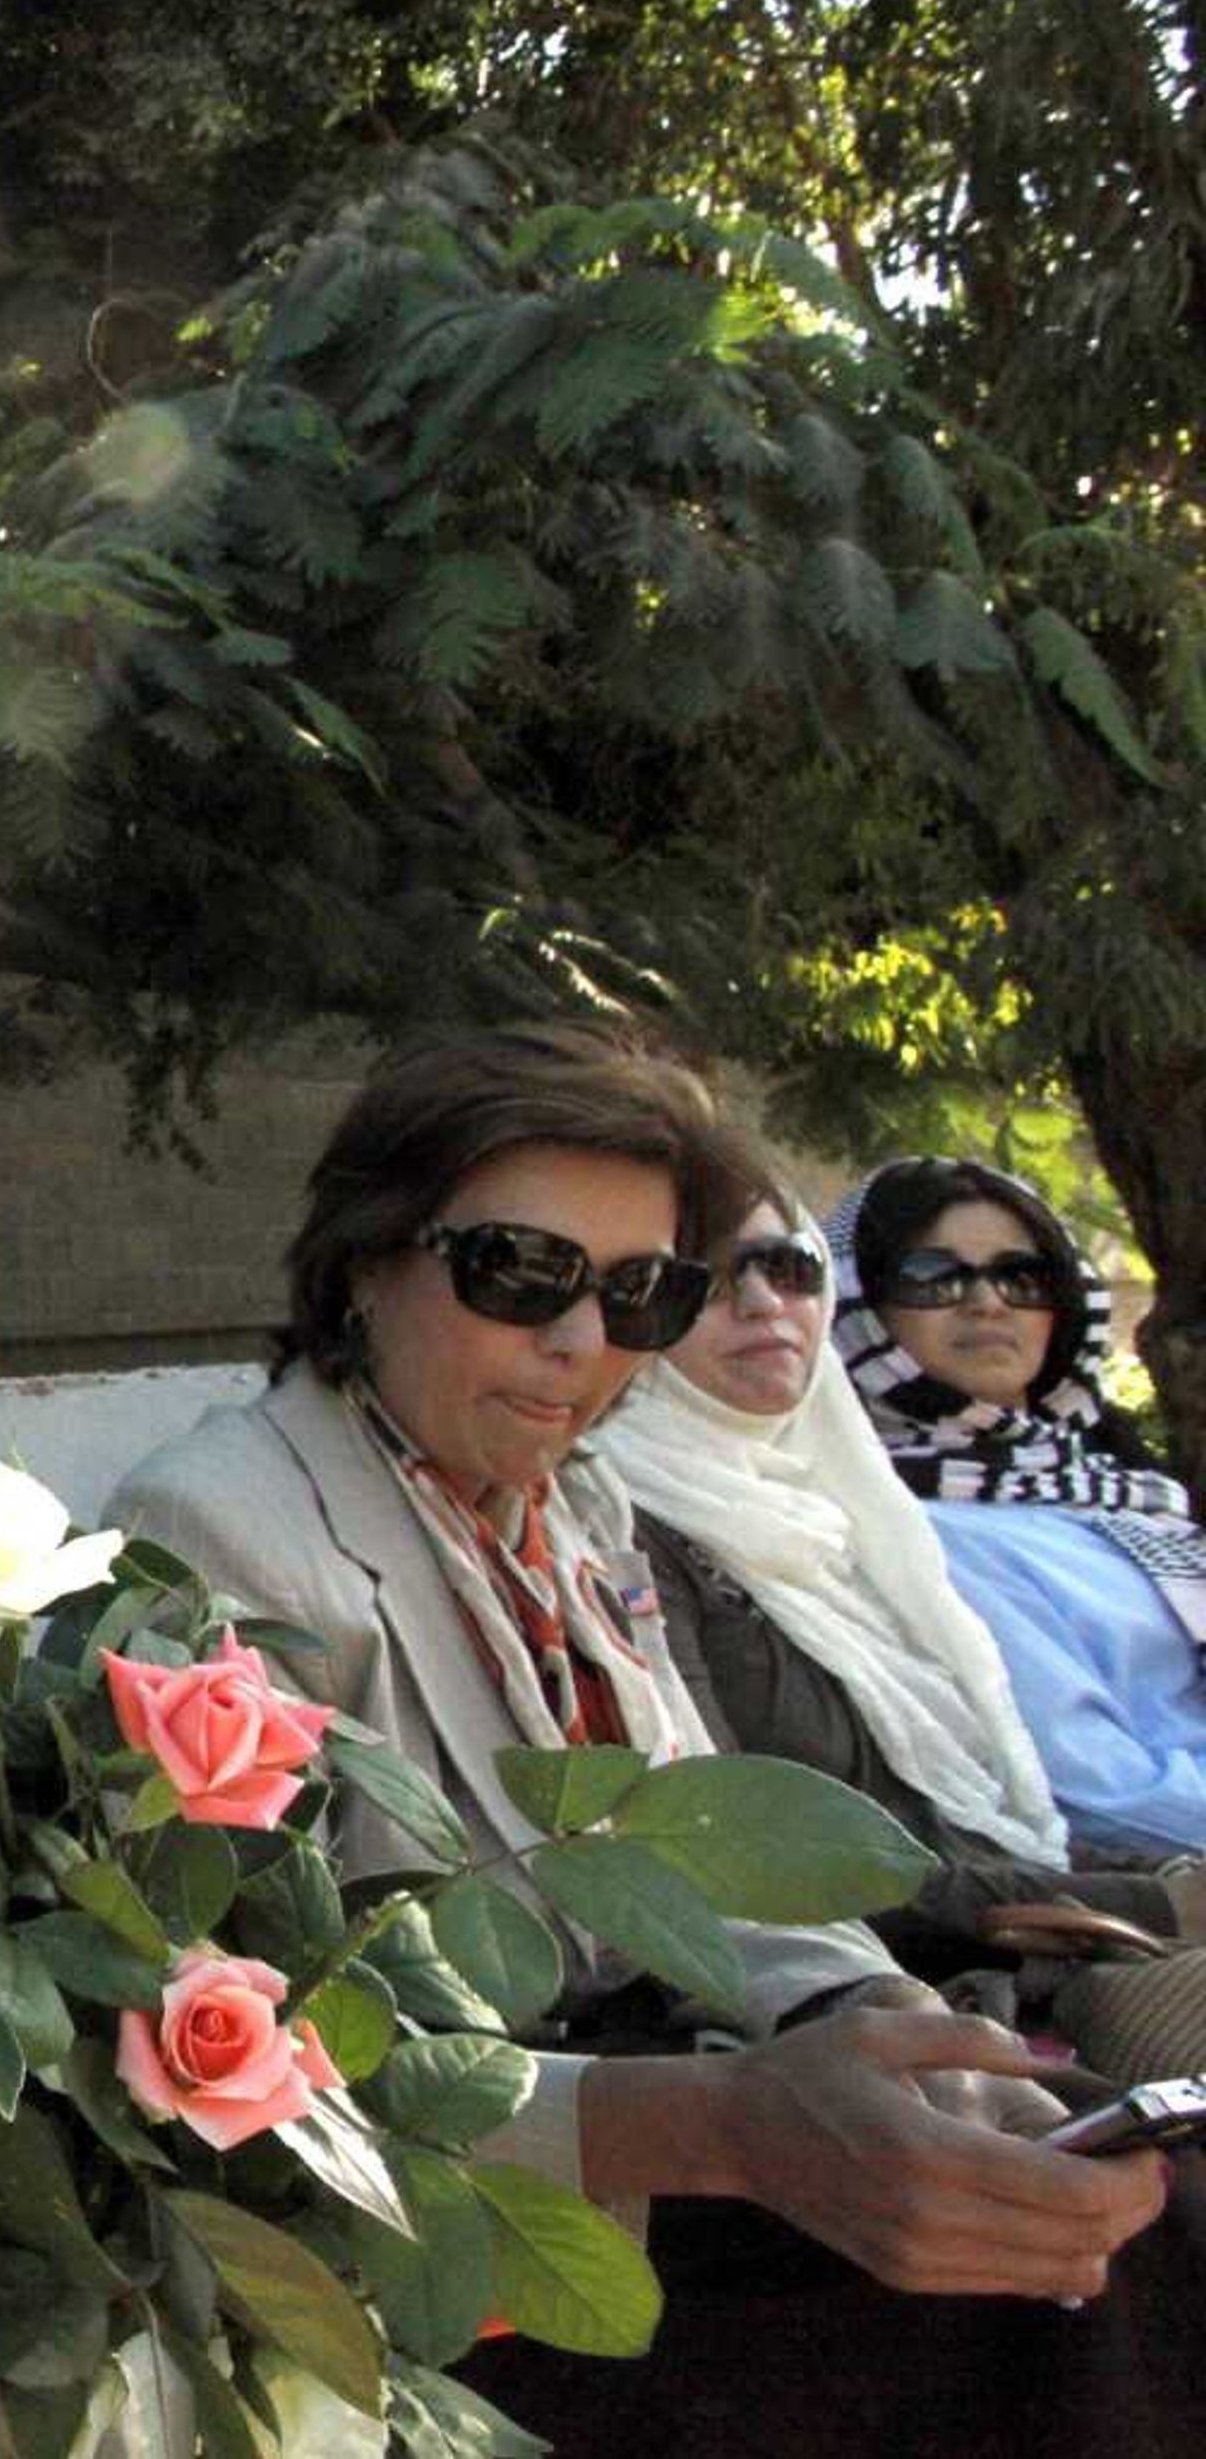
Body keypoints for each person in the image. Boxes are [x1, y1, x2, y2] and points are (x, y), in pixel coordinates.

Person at [109, 1025, 1188, 2456]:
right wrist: (728, 2124)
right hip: (461, 2216)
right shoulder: (218, 1530)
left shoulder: (573, 1510)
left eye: (640, 1293)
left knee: (1126, 2211)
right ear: (366, 1260)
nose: (581, 1343)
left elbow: (704, 1858)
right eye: (520, 1273)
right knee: (1052, 2314)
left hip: (688, 2109)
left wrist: (879, 2032)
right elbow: (234, 2054)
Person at [590, 1189, 1205, 1988]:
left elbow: (995, 1818)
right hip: (865, 2009)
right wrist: (1158, 1904)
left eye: (790, 1266)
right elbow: (724, 1860)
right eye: (704, 1276)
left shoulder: (842, 1517)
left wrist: (1163, 1888)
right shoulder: (621, 1526)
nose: (761, 1301)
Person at [827, 1156, 1206, 1860]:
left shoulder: (1119, 1493)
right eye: (935, 1276)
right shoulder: (914, 1527)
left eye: (1021, 1277)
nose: (988, 1302)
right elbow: (1096, 1791)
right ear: (859, 1304)